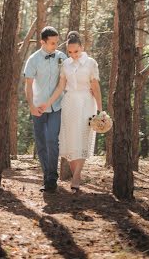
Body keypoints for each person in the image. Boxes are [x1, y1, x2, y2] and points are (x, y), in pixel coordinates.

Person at [39, 30, 102, 192]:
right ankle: (77, 175)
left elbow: (95, 88)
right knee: (71, 140)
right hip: (69, 104)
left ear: (82, 47)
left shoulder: (91, 63)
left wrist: (101, 111)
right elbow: (61, 87)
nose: (73, 54)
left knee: (81, 138)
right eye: (70, 52)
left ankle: (75, 177)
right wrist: (47, 103)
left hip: (87, 104)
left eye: (76, 51)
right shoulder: (65, 64)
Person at [23, 26, 67, 192]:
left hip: (55, 106)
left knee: (51, 140)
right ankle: (47, 176)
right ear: (43, 42)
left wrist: (49, 103)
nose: (56, 46)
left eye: (57, 42)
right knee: (41, 143)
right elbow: (27, 86)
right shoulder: (33, 60)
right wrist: (32, 107)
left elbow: (63, 84)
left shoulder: (62, 57)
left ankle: (52, 178)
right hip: (38, 108)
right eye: (52, 43)